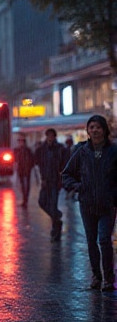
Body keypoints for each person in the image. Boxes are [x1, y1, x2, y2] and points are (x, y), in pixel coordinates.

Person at [62, 115, 117, 290]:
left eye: (98, 127)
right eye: (91, 127)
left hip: (108, 205)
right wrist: (78, 186)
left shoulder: (114, 151)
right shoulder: (81, 152)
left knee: (104, 240)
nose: (95, 130)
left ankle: (109, 278)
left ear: (104, 130)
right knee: (91, 241)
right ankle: (96, 276)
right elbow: (66, 174)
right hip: (87, 205)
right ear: (88, 131)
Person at [33, 127, 71, 242]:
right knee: (42, 202)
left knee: (53, 205)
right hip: (46, 181)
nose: (49, 138)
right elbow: (39, 164)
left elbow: (64, 165)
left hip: (55, 181)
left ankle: (55, 232)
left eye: (51, 136)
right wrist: (42, 177)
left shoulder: (60, 149)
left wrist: (62, 180)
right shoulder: (42, 149)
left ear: (54, 137)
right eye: (48, 135)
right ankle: (57, 218)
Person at [14, 137, 34, 206]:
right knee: (23, 185)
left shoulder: (26, 150)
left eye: (21, 141)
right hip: (22, 169)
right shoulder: (18, 150)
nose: (20, 143)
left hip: (25, 169)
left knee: (25, 185)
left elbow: (31, 160)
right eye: (19, 141)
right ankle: (25, 199)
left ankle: (25, 199)